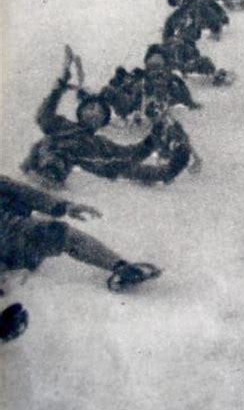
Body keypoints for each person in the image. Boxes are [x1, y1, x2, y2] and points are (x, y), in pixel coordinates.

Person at [0, 175, 161, 309]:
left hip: (18, 239)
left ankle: (121, 268)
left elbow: (25, 193)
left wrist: (66, 207)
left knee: (57, 232)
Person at [22, 54, 180, 186]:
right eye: (91, 108)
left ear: (102, 122)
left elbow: (129, 153)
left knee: (117, 166)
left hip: (86, 162)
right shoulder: (63, 125)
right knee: (53, 147)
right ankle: (49, 174)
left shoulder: (99, 143)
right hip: (48, 161)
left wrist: (153, 138)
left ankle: (165, 172)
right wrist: (57, 90)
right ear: (80, 112)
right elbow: (44, 117)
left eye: (100, 113)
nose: (94, 113)